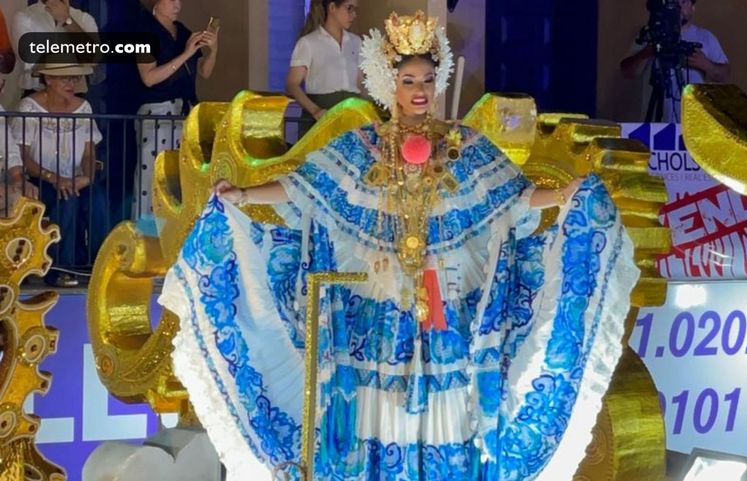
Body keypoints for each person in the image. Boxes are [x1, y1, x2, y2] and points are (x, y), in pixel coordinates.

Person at [159, 11, 639, 480]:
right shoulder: (362, 145)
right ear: (390, 83)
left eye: (427, 81)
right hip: (379, 308)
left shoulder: (463, 144)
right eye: (409, 81)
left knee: (446, 402)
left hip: (444, 305)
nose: (419, 92)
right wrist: (242, 195)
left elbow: (511, 198)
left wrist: (563, 196)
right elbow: (305, 188)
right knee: (374, 403)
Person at [15, 63, 106, 287]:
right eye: (65, 78)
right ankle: (59, 267)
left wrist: (87, 177)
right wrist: (53, 178)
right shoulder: (29, 106)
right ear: (48, 79)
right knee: (65, 198)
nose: (71, 83)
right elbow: (23, 156)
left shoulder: (83, 107)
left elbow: (89, 152)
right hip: (39, 178)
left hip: (75, 178)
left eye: (74, 79)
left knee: (98, 200)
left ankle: (100, 264)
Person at [134, 0, 218, 220]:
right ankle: (148, 238)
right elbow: (149, 78)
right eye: (171, 0)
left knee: (182, 178)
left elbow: (205, 72)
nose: (177, 5)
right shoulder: (144, 31)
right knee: (153, 176)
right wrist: (186, 53)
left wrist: (213, 50)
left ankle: (178, 237)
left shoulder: (182, 31)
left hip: (185, 112)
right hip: (158, 112)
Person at [619, 0, 729, 123]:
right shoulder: (652, 35)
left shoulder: (705, 37)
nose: (678, 5)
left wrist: (705, 64)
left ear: (693, 7)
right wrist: (647, 52)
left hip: (693, 125)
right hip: (656, 124)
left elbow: (723, 75)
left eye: (683, 1)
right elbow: (627, 72)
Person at [286, 0, 361, 138]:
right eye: (349, 8)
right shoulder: (308, 43)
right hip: (322, 114)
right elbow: (292, 84)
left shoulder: (356, 42)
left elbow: (361, 83)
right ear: (332, 7)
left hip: (352, 116)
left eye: (355, 9)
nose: (354, 15)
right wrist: (315, 110)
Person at [12, 0, 98, 96]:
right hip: (37, 95)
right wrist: (76, 59)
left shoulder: (84, 18)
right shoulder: (24, 17)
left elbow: (93, 59)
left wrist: (67, 20)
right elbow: (31, 61)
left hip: (76, 96)